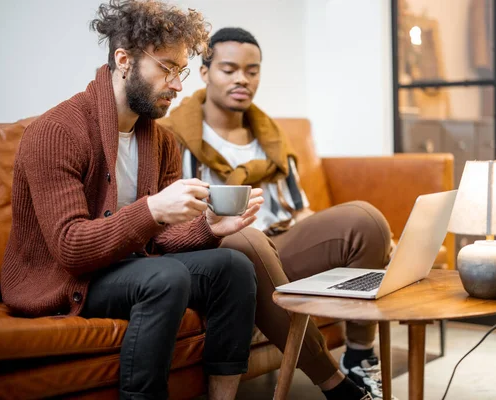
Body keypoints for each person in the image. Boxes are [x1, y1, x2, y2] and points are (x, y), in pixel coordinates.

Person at [0, 3, 265, 400]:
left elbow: (162, 238)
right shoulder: (55, 132)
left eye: (182, 71)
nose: (178, 85)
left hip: (127, 266)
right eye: (167, 68)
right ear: (124, 60)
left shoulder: (160, 140)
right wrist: (152, 210)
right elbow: (71, 248)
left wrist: (209, 227)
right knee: (165, 278)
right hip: (65, 281)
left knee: (233, 266)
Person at [159, 27, 395, 400]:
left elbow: (298, 211)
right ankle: (335, 384)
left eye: (252, 70)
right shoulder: (171, 137)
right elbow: (174, 222)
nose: (242, 79)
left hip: (279, 244)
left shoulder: (270, 137)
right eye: (229, 69)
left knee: (366, 220)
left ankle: (360, 357)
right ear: (204, 73)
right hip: (222, 252)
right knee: (245, 240)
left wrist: (356, 244)